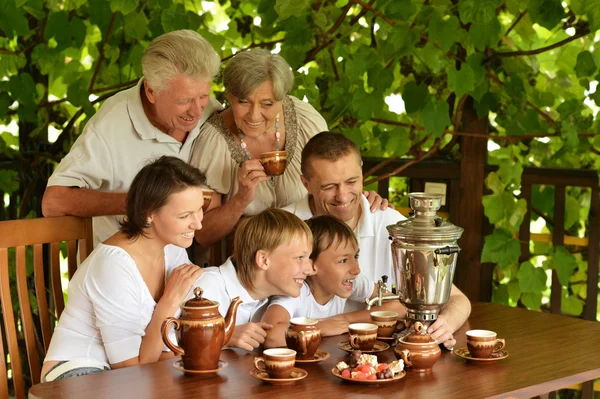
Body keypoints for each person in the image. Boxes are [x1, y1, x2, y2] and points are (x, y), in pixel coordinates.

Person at [189, 49, 388, 252]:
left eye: (267, 104)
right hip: (246, 260)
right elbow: (203, 234)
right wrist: (241, 199)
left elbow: (335, 178)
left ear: (283, 97)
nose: (254, 115)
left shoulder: (304, 120)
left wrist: (361, 200)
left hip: (312, 253)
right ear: (229, 96)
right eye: (243, 102)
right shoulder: (213, 142)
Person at [283, 132, 471, 348]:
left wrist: (442, 326)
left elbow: (456, 299)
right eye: (329, 187)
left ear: (362, 173)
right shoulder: (284, 227)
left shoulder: (393, 225)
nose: (343, 196)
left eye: (351, 182)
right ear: (305, 183)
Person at [42, 30, 221, 246]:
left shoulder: (211, 110)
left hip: (180, 265)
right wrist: (143, 202)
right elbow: (54, 201)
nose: (197, 112)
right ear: (151, 91)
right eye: (184, 100)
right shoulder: (111, 124)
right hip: (117, 266)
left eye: (203, 96)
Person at [41, 156, 206, 382]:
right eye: (185, 215)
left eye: (199, 210)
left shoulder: (174, 249)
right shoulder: (112, 265)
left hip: (129, 377)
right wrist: (170, 299)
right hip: (77, 373)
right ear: (149, 213)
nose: (198, 224)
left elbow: (166, 349)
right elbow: (130, 369)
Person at [262, 215, 406, 348]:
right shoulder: (295, 291)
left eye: (355, 256)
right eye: (343, 260)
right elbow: (270, 335)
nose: (356, 270)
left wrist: (345, 319)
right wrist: (321, 327)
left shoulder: (351, 281)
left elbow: (400, 306)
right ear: (311, 265)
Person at [188, 208, 314, 351]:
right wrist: (222, 337)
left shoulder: (276, 294)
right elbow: (165, 356)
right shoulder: (206, 287)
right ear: (263, 260)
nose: (309, 270)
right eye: (299, 258)